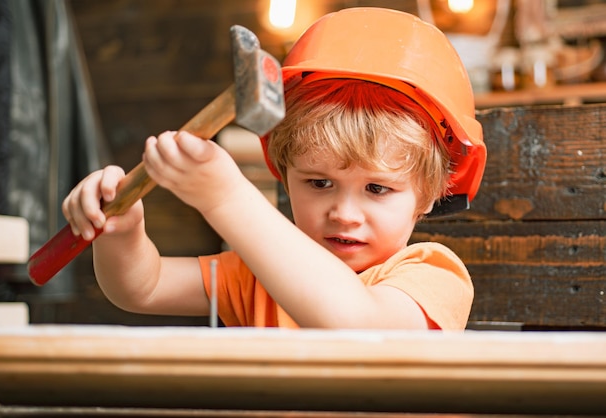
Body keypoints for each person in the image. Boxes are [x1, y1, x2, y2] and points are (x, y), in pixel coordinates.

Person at [62, 7, 486, 330]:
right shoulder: (256, 273)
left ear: (428, 194)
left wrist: (227, 197)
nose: (343, 212)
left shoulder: (432, 275)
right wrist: (122, 231)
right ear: (286, 173)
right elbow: (143, 287)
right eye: (320, 182)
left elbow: (355, 325)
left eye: (377, 189)